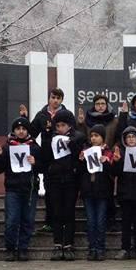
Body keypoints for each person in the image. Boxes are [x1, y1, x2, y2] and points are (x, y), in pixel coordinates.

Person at [0, 117, 44, 262]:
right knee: (12, 220)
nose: (21, 131)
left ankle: (23, 248)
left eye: (23, 129)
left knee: (27, 220)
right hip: (13, 189)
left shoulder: (34, 147)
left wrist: (36, 163)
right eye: (18, 129)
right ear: (14, 131)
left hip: (30, 189)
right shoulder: (7, 147)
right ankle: (10, 248)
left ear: (27, 130)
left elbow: (43, 167)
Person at [19, 87, 68, 231]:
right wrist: (24, 118)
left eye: (58, 98)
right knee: (49, 189)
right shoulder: (41, 115)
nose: (55, 100)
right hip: (47, 159)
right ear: (49, 98)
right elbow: (31, 133)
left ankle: (63, 221)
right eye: (53, 97)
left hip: (63, 159)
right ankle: (50, 222)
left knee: (62, 190)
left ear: (61, 100)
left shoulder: (66, 114)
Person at [42, 108, 85, 261]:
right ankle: (57, 243)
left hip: (70, 180)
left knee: (69, 212)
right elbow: (45, 156)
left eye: (63, 125)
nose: (60, 128)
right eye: (58, 125)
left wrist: (71, 143)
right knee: (57, 212)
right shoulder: (52, 138)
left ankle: (69, 244)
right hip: (55, 180)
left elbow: (79, 154)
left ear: (69, 125)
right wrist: (47, 135)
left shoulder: (77, 137)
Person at [79, 124, 117, 261]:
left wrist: (106, 162)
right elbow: (80, 172)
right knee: (90, 221)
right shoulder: (86, 151)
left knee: (100, 221)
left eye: (97, 136)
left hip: (102, 192)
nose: (94, 138)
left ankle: (100, 248)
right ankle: (92, 248)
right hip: (88, 191)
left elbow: (113, 173)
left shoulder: (108, 152)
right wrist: (81, 161)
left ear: (102, 138)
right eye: (92, 136)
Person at [113, 126, 136, 260]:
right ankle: (125, 248)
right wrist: (116, 162)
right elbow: (115, 173)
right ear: (124, 139)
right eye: (128, 137)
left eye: (133, 137)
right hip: (125, 193)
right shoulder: (121, 152)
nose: (131, 139)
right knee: (126, 223)